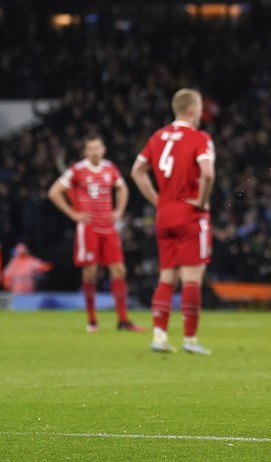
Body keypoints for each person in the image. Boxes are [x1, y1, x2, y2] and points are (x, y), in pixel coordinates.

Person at [131, 89, 215, 355]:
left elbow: (137, 171)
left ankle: (159, 336)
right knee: (191, 280)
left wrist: (158, 200)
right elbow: (208, 173)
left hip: (164, 216)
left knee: (166, 277)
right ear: (192, 110)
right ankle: (190, 340)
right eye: (200, 108)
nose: (201, 113)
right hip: (190, 215)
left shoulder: (157, 136)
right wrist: (201, 200)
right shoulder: (199, 138)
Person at [48, 134, 143, 332]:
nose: (96, 151)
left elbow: (122, 189)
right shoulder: (78, 170)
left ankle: (123, 320)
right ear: (85, 152)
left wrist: (119, 211)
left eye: (98, 147)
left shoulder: (110, 168)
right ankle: (92, 320)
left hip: (108, 227)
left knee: (119, 270)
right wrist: (74, 214)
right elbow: (54, 191)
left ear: (104, 149)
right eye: (91, 148)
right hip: (88, 227)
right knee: (90, 272)